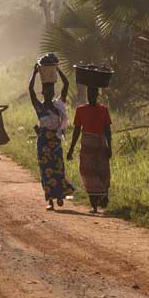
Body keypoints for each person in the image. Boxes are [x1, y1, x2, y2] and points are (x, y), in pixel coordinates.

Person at [28, 64, 74, 210]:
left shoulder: (58, 105)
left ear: (54, 92)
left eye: (51, 90)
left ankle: (60, 195)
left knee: (59, 168)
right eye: (46, 90)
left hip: (55, 140)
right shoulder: (39, 107)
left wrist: (57, 70)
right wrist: (35, 73)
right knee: (45, 170)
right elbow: (30, 90)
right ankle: (50, 201)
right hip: (43, 142)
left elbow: (66, 84)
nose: (49, 92)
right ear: (42, 92)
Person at [67, 86, 112, 213]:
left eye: (93, 93)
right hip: (87, 145)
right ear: (87, 94)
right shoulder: (81, 110)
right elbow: (76, 131)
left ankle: (103, 195)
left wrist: (110, 147)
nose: (91, 95)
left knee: (103, 173)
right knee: (88, 173)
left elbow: (108, 131)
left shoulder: (104, 110)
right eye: (89, 93)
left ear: (97, 94)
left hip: (101, 144)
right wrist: (71, 149)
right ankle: (94, 205)